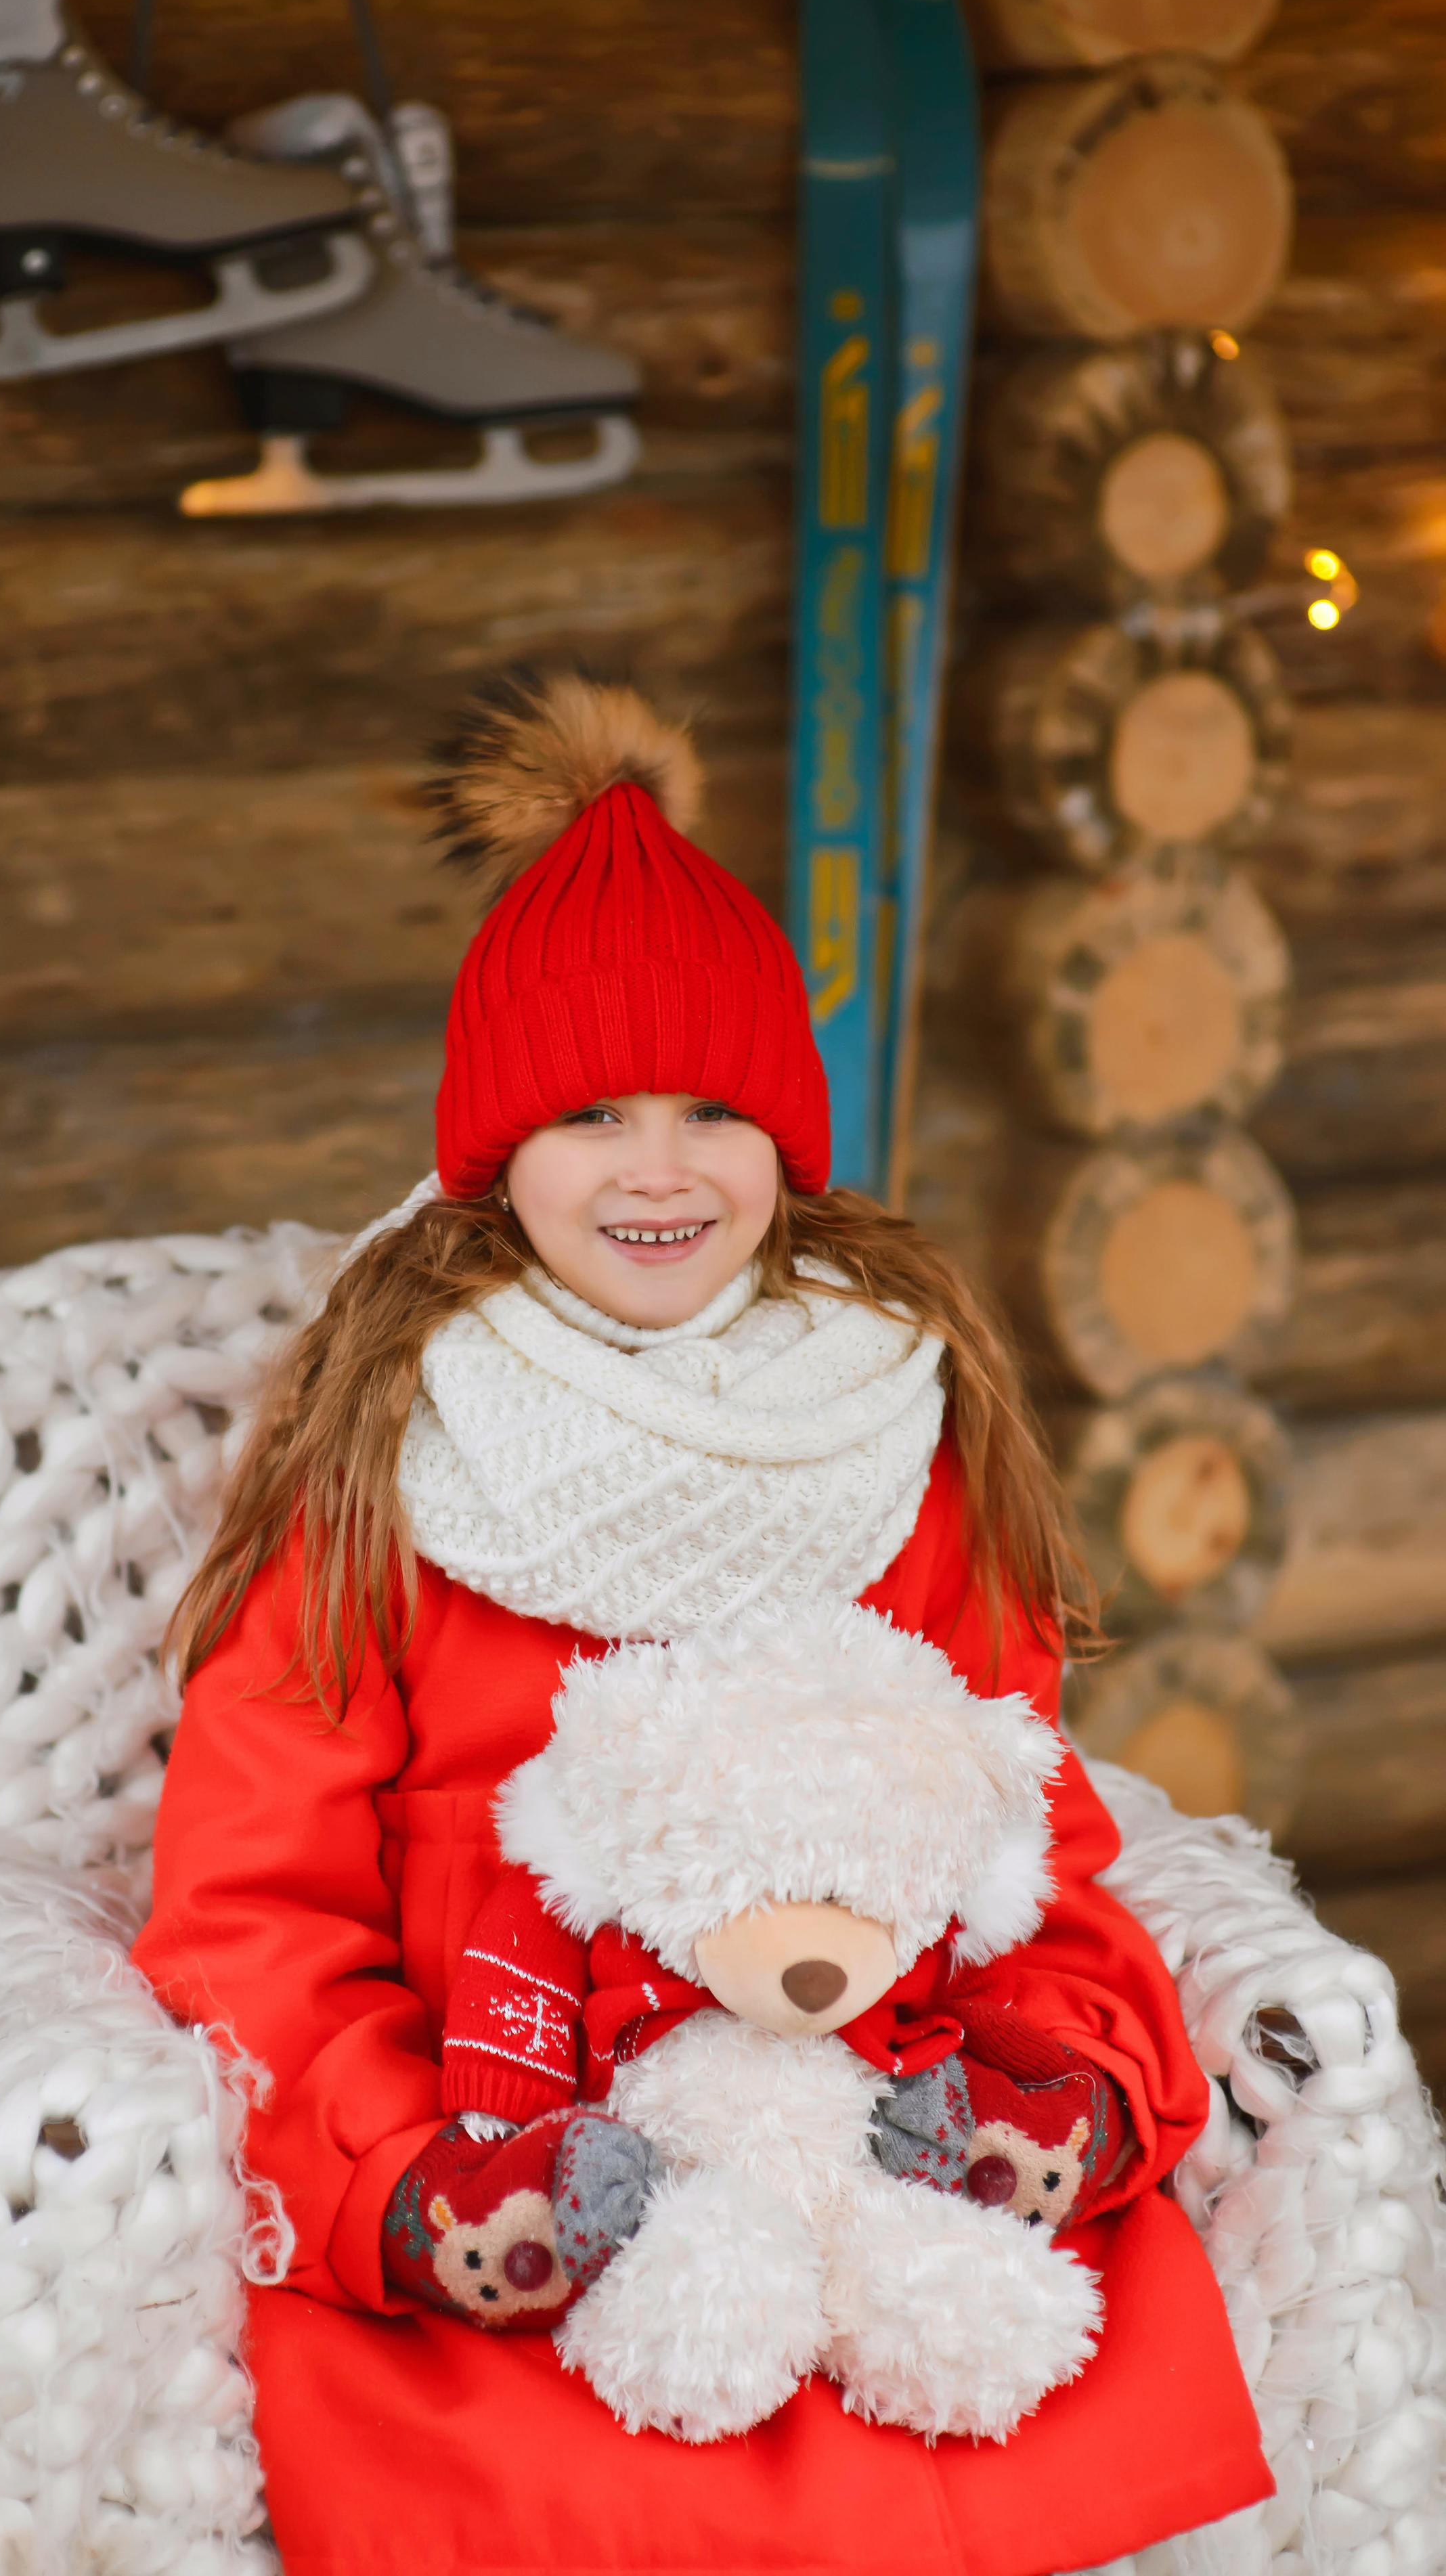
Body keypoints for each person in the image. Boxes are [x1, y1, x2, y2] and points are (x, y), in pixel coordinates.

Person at [135, 670, 1271, 2575]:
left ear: (784, 1135)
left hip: (872, 2130)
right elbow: (253, 1898)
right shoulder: (392, 1456)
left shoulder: (887, 1421)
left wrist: (1053, 2070)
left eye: (711, 1109)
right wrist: (410, 2180)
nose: (659, 1169)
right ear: (502, 1151)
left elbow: (1017, 1810)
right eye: (592, 1113)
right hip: (525, 2153)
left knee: (1021, 2406)